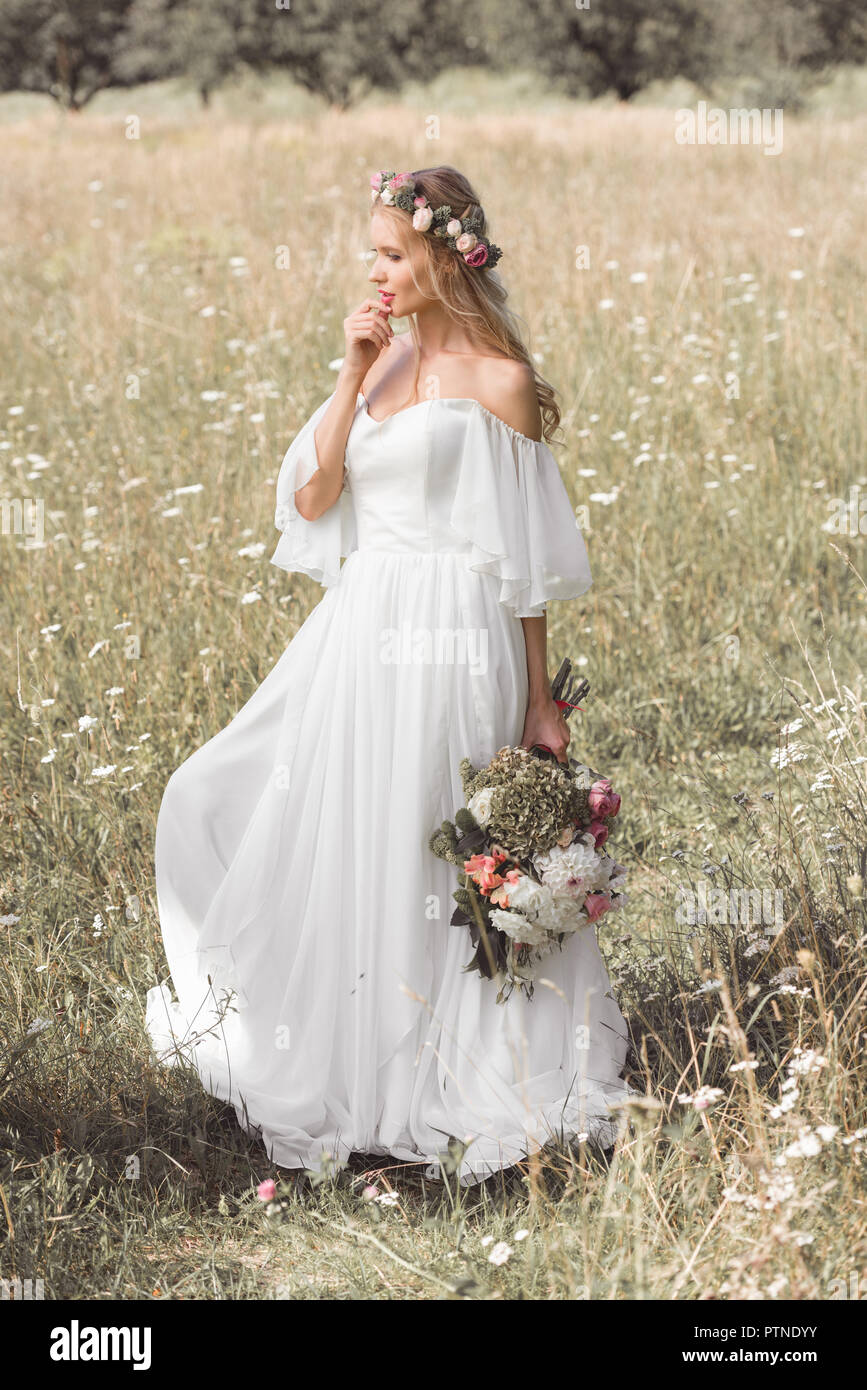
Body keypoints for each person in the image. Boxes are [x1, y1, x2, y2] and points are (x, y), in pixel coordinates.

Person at [145, 165, 635, 1185]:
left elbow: (526, 566)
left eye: (390, 254)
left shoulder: (500, 381)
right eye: (372, 253)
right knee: (272, 813)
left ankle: (450, 1064)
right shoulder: (373, 365)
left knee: (434, 848)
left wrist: (541, 701)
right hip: (362, 631)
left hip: (458, 636)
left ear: (446, 258)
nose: (374, 273)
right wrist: (345, 374)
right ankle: (346, 1053)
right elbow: (317, 499)